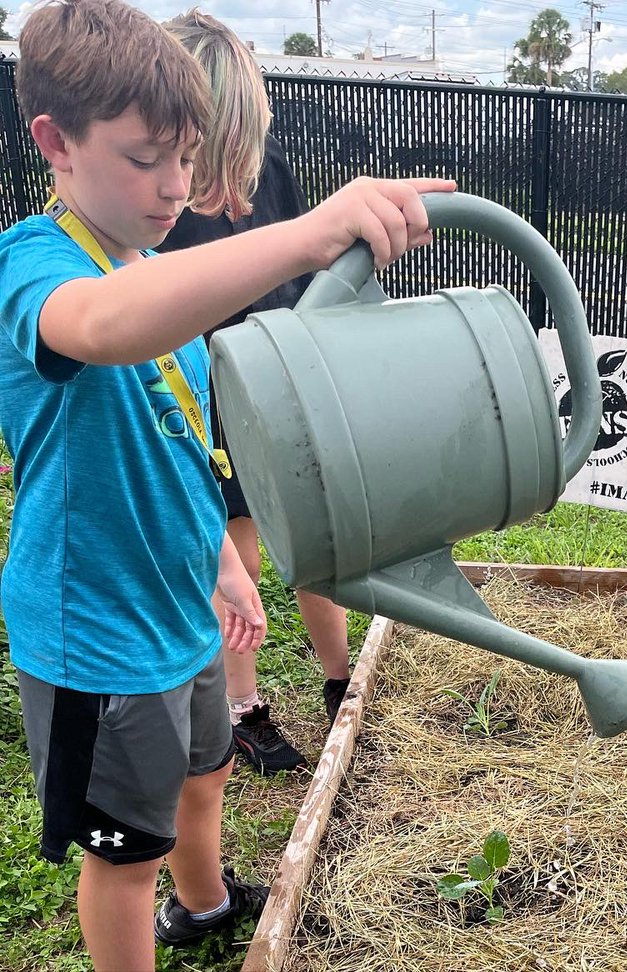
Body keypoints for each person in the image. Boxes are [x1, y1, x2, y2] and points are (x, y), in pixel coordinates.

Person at [0, 1, 454, 969]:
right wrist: (303, 238)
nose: (176, 187)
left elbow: (175, 434)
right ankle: (157, 908)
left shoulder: (145, 256)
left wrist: (222, 559)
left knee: (204, 771)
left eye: (187, 156)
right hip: (98, 639)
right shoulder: (37, 269)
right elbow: (107, 327)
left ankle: (201, 907)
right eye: (145, 157)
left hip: (180, 608)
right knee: (124, 854)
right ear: (55, 141)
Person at [157, 9, 349, 776]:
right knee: (232, 541)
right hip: (200, 398)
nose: (235, 177)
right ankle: (244, 710)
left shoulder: (270, 176)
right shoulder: (160, 206)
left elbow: (296, 272)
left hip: (277, 382)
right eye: (222, 147)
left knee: (315, 531)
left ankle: (344, 684)